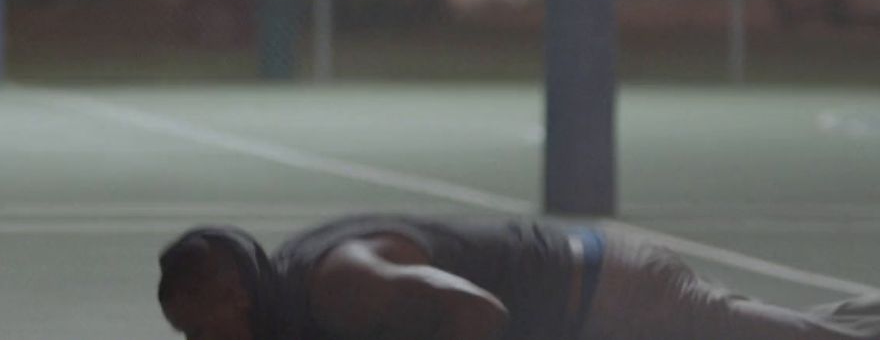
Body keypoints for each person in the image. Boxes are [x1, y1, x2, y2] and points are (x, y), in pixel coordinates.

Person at [156, 214, 880, 340]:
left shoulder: (337, 282)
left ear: (234, 296)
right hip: (597, 302)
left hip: (613, 298)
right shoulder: (289, 291)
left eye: (197, 325)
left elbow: (477, 312)